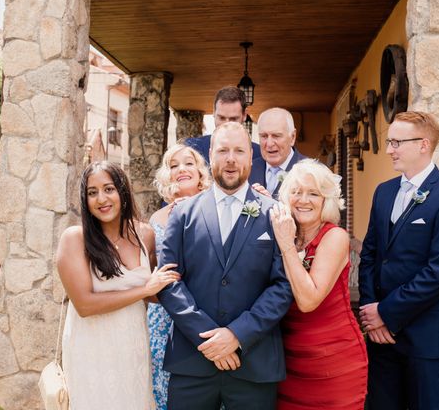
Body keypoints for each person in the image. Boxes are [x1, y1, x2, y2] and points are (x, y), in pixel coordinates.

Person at [158, 121, 293, 410]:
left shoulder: (274, 214)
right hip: (192, 361)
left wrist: (236, 335)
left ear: (250, 157)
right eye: (223, 150)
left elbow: (282, 286)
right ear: (210, 154)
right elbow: (168, 281)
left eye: (239, 151)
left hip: (254, 362)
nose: (231, 159)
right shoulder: (182, 213)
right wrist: (209, 339)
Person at [358, 111, 439, 410]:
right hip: (382, 340)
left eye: (397, 142)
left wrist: (386, 311)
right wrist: (373, 317)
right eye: (389, 141)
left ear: (423, 144)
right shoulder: (383, 192)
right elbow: (370, 254)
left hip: (427, 339)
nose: (388, 150)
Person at [56, 161, 180, 410]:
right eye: (92, 192)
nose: (101, 198)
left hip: (133, 347)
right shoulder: (75, 239)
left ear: (122, 190)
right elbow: (85, 305)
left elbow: (154, 294)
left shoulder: (145, 234)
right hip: (91, 350)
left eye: (109, 189)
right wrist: (144, 290)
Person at [270, 159, 368, 409]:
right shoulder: (283, 232)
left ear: (326, 200)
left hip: (333, 362)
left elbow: (308, 300)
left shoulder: (334, 236)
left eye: (313, 193)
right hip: (288, 361)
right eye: (296, 192)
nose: (303, 200)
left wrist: (286, 246)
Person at [147, 143, 212, 410]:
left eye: (188, 163)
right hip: (163, 320)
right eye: (174, 165)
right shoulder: (156, 218)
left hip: (203, 311)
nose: (181, 169)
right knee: (164, 391)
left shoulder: (215, 208)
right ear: (167, 175)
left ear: (200, 172)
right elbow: (151, 269)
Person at [185, 85, 261, 164]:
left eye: (233, 119)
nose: (226, 124)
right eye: (221, 118)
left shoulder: (259, 154)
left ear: (244, 115)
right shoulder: (193, 148)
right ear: (214, 112)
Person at [249, 107, 307, 200]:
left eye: (276, 136)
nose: (269, 143)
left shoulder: (312, 171)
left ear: (292, 137)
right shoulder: (247, 170)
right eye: (264, 136)